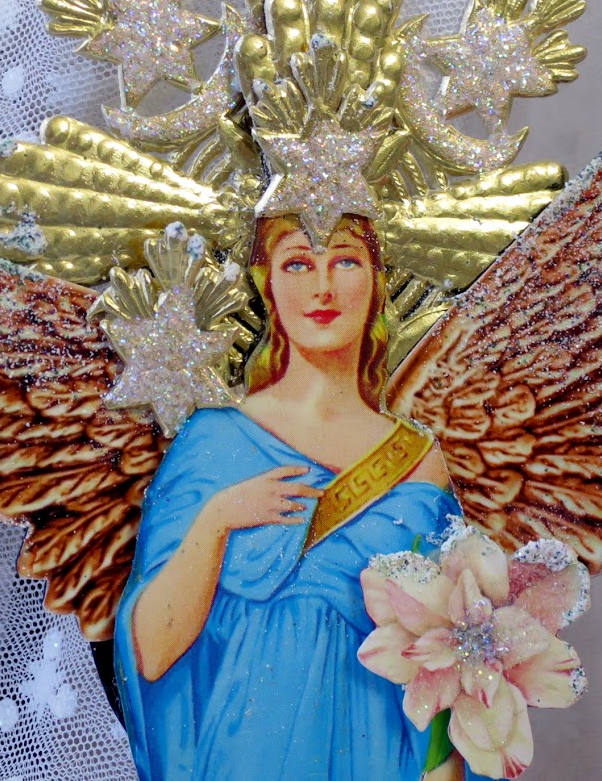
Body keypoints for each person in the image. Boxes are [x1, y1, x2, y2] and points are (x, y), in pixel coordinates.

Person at [113, 213, 469, 781]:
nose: (322, 287)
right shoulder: (213, 441)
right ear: (266, 284)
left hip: (378, 748)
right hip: (247, 745)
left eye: (345, 260)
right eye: (298, 263)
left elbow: (450, 649)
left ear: (377, 280)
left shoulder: (421, 458)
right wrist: (217, 521)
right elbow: (151, 653)